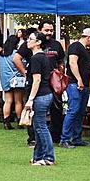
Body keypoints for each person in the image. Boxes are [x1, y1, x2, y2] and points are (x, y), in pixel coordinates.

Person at [16, 21, 64, 142]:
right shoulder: (33, 52)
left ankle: (53, 139)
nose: (49, 33)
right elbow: (16, 59)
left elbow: (61, 62)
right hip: (37, 85)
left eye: (51, 30)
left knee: (50, 114)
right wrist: (26, 73)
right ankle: (34, 139)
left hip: (50, 83)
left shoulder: (54, 46)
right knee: (38, 121)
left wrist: (60, 74)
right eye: (46, 30)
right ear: (40, 30)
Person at [23, 31, 55, 166]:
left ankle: (48, 157)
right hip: (44, 94)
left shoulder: (37, 58)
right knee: (38, 127)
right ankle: (38, 156)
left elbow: (37, 80)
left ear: (38, 42)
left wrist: (30, 99)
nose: (27, 41)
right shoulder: (42, 57)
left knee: (41, 127)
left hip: (40, 95)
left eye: (31, 39)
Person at [0, 35, 24, 130]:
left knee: (8, 100)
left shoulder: (0, 55)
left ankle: (6, 121)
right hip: (16, 80)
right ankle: (20, 121)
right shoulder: (15, 54)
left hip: (5, 80)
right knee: (18, 101)